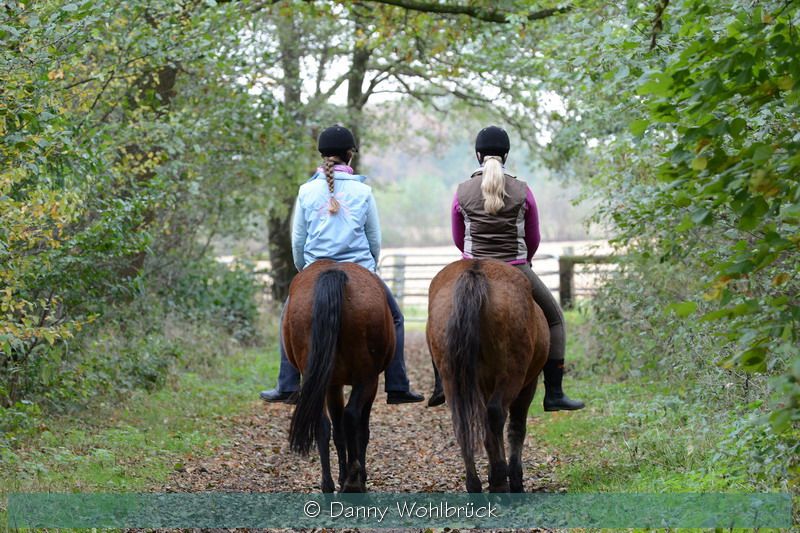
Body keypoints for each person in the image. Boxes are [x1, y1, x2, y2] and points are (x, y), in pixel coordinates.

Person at [260, 125, 424, 405]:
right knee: (396, 318)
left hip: (315, 267)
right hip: (359, 266)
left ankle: (287, 384)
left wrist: (304, 271)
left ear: (322, 154)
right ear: (350, 155)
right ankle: (397, 384)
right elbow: (374, 239)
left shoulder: (306, 191)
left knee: (288, 315)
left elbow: (298, 240)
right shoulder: (363, 191)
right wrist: (369, 271)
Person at [428, 125, 585, 411]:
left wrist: (470, 257)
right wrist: (525, 261)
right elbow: (533, 237)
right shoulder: (523, 190)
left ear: (478, 155)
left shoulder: (462, 191)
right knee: (555, 319)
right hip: (516, 266)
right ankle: (555, 392)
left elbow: (458, 236)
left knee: (435, 310)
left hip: (471, 265)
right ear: (507, 155)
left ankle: (440, 382)